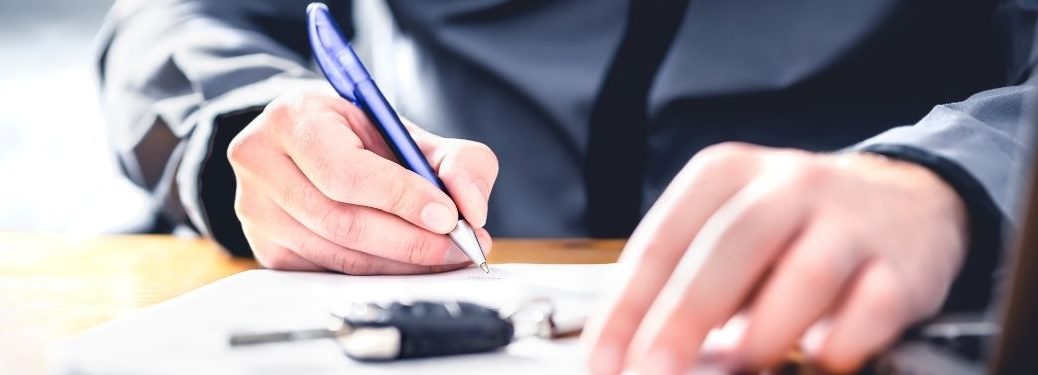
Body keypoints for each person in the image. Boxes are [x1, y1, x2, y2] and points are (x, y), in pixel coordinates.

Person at [96, 0, 1034, 373]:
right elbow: (174, 20)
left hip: (839, 300)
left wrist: (947, 182)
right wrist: (238, 128)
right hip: (413, 273)